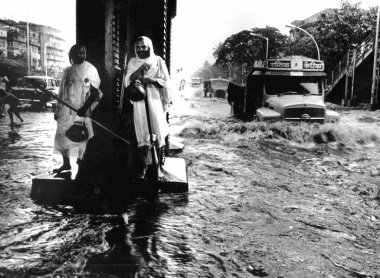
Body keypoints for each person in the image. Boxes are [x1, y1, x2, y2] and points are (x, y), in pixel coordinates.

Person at [124, 36, 172, 180]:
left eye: (143, 46)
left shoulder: (158, 61)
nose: (141, 49)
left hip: (154, 100)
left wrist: (150, 80)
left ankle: (157, 167)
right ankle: (144, 167)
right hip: (139, 100)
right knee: (142, 132)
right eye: (138, 47)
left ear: (149, 46)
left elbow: (166, 81)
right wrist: (139, 72)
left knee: (156, 129)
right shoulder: (133, 61)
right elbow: (128, 80)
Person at [53, 44, 102, 173]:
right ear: (71, 55)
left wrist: (84, 108)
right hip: (66, 108)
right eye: (76, 53)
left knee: (82, 137)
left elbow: (94, 93)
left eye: (82, 53)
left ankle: (81, 163)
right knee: (61, 135)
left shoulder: (90, 69)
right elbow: (61, 92)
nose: (79, 55)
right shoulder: (67, 71)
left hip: (82, 109)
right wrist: (57, 110)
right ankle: (66, 163)